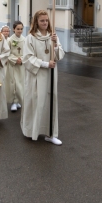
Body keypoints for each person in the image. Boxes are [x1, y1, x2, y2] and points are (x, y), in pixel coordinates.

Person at [21, 10, 65, 145]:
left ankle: (50, 133)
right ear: (36, 22)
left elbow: (60, 55)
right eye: (42, 21)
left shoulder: (53, 36)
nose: (45, 23)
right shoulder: (31, 38)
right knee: (35, 102)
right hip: (37, 75)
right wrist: (45, 63)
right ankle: (31, 131)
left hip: (50, 75)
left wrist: (56, 44)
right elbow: (27, 59)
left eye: (46, 20)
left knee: (50, 102)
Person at [6, 21, 25, 112]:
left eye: (21, 29)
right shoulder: (10, 40)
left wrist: (22, 59)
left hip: (21, 65)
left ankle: (19, 101)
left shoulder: (24, 40)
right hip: (13, 65)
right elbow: (7, 53)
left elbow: (27, 53)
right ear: (14, 29)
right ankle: (14, 101)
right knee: (14, 83)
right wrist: (14, 59)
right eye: (18, 29)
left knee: (21, 83)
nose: (20, 31)